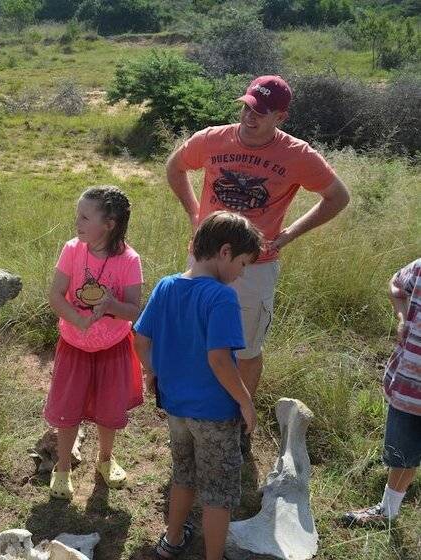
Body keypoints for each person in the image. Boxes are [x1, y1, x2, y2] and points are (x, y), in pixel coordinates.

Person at [165, 75, 350, 451]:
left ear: (280, 116)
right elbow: (175, 166)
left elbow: (337, 196)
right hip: (204, 259)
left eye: (261, 112)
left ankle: (237, 421)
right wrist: (195, 216)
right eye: (247, 106)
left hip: (255, 266)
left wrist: (288, 235)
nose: (250, 116)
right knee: (196, 336)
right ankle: (193, 411)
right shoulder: (213, 138)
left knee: (246, 347)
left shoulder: (298, 155)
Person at [133, 211, 263, 560]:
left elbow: (141, 339)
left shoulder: (166, 285)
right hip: (216, 413)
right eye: (243, 263)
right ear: (224, 252)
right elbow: (219, 359)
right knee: (219, 492)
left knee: (183, 475)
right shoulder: (221, 297)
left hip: (176, 408)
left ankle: (172, 540)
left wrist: (154, 372)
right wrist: (246, 401)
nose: (242, 272)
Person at [44, 185, 144, 500]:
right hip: (74, 345)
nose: (78, 223)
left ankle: (105, 458)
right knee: (67, 407)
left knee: (108, 407)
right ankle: (62, 467)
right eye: (78, 215)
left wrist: (112, 306)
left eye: (86, 217)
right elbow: (56, 295)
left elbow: (133, 309)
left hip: (113, 349)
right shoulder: (72, 249)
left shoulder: (129, 259)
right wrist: (78, 320)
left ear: (109, 224)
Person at [342, 258, 420, 527]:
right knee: (402, 452)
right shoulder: (420, 269)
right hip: (410, 385)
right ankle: (388, 511)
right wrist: (402, 318)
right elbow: (396, 285)